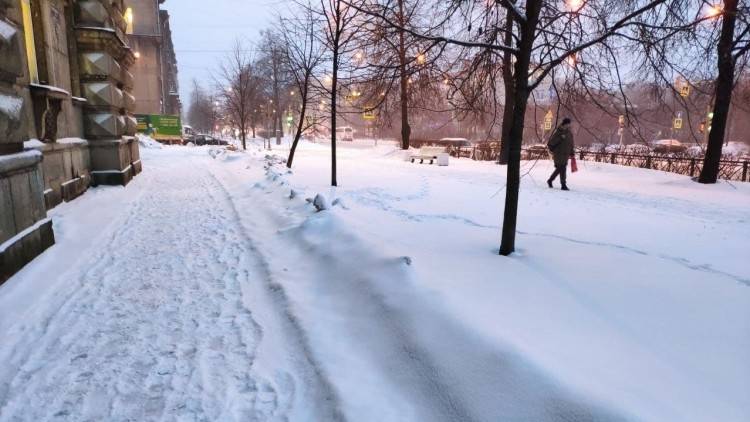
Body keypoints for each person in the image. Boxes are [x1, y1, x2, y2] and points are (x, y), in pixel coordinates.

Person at [546, 117, 575, 191]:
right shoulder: (558, 132)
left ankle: (551, 180)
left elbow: (571, 143)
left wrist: (572, 152)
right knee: (562, 168)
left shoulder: (569, 133)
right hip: (558, 153)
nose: (569, 125)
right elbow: (551, 142)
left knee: (561, 168)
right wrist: (560, 138)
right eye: (568, 124)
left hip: (565, 154)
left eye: (569, 124)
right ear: (565, 124)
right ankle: (563, 184)